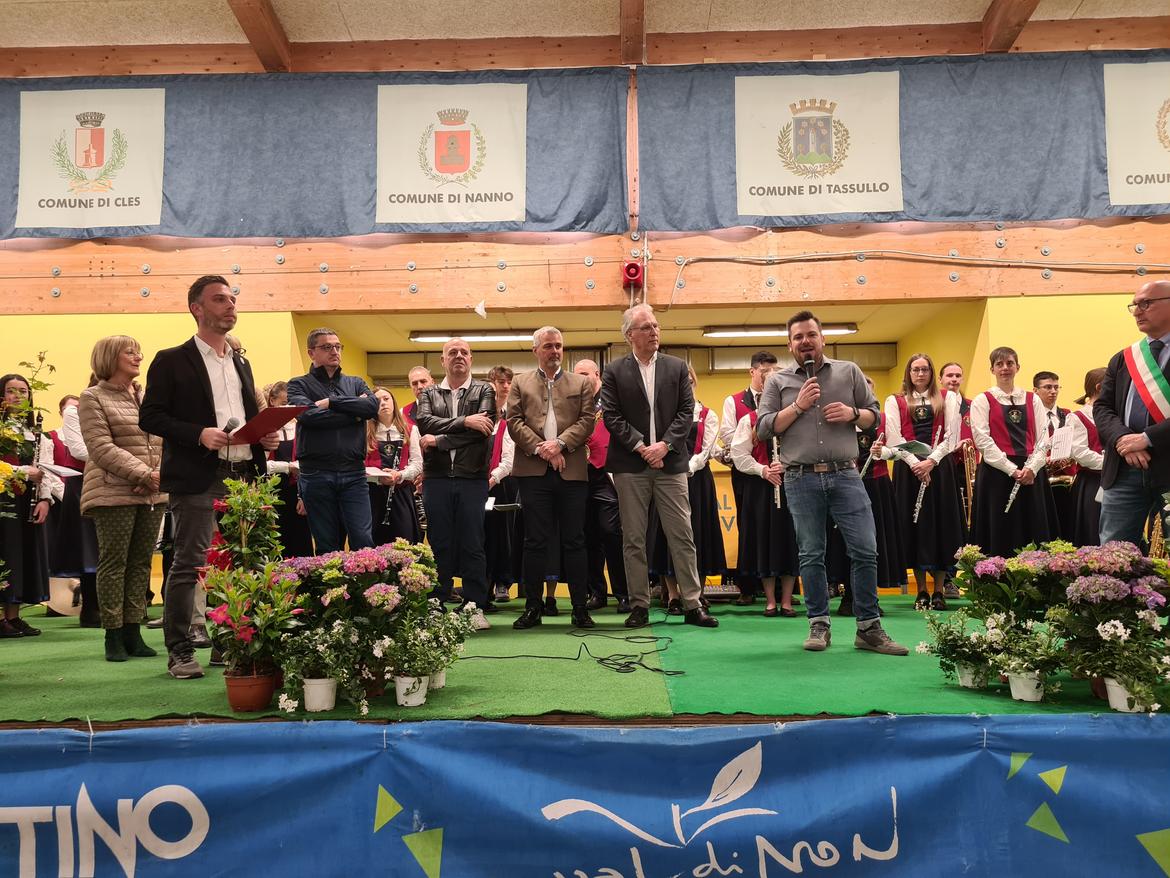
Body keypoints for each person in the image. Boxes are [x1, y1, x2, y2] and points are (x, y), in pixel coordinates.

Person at [140, 275, 279, 680]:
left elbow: (247, 416)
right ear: (196, 309)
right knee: (190, 565)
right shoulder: (171, 359)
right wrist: (198, 433)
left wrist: (264, 435)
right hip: (199, 474)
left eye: (233, 299)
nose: (230, 305)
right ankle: (180, 651)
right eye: (220, 299)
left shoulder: (241, 362)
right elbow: (151, 416)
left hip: (243, 475)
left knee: (240, 565)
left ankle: (229, 645)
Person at [756, 310, 907, 655]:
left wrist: (853, 414)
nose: (805, 342)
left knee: (866, 548)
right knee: (811, 553)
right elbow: (763, 428)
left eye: (811, 335)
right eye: (798, 337)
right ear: (790, 345)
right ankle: (819, 624)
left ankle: (868, 628)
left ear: (822, 338)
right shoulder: (778, 382)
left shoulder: (848, 371)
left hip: (845, 473)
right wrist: (798, 406)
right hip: (800, 477)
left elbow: (875, 417)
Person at [600, 304, 718, 630]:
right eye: (646, 327)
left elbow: (686, 412)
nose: (654, 332)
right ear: (630, 335)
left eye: (655, 326)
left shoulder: (676, 367)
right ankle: (639, 605)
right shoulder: (614, 371)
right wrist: (641, 446)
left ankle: (693, 603)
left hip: (671, 463)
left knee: (682, 534)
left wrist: (664, 445)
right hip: (630, 464)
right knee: (633, 538)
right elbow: (611, 416)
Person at [77, 336, 167, 662]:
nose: (138, 356)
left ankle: (133, 630)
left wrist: (157, 476)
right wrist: (144, 474)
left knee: (141, 562)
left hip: (152, 491)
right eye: (129, 352)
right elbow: (101, 447)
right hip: (112, 491)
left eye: (138, 351)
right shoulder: (92, 397)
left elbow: (162, 440)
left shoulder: (147, 396)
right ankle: (112, 633)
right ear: (109, 357)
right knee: (114, 562)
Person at [507, 327, 596, 630]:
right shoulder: (519, 382)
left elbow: (587, 421)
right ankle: (533, 607)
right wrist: (542, 449)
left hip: (572, 472)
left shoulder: (581, 383)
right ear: (536, 350)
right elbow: (514, 422)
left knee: (575, 540)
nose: (554, 351)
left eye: (558, 345)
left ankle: (580, 608)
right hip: (533, 473)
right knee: (534, 541)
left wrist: (559, 444)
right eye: (548, 346)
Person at [414, 338, 496, 629]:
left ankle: (474, 606)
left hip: (472, 479)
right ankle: (436, 604)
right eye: (452, 352)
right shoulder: (428, 393)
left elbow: (481, 431)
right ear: (443, 360)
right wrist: (465, 422)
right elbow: (424, 423)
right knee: (439, 542)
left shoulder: (485, 390)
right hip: (436, 479)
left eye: (464, 352)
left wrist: (438, 440)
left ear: (471, 359)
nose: (459, 356)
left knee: (473, 542)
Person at [880, 353, 964, 610]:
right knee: (915, 527)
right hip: (909, 470)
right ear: (908, 372)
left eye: (925, 369)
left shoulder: (948, 397)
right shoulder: (894, 400)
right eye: (915, 369)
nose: (920, 374)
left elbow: (951, 436)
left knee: (941, 526)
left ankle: (939, 590)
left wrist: (931, 461)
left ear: (931, 372)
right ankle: (922, 591)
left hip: (940, 469)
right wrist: (915, 463)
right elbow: (894, 438)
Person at [287, 328, 380, 554]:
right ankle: (331, 580)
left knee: (363, 541)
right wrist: (354, 413)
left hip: (354, 473)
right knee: (327, 544)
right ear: (311, 353)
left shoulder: (356, 382)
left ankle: (364, 579)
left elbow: (371, 407)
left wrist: (331, 402)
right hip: (316, 474)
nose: (334, 351)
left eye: (338, 347)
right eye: (327, 347)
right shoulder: (298, 385)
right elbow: (308, 415)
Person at [1096, 279, 1170, 545]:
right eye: (1134, 305)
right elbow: (1102, 407)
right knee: (1113, 554)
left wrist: (1147, 438)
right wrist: (1123, 439)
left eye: (1146, 303)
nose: (1137, 311)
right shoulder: (1124, 358)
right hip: (1125, 467)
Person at [651, 364, 727, 612]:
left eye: (689, 382)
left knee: (699, 533)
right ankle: (673, 595)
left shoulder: (708, 415)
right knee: (668, 535)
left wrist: (687, 467)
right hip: (667, 479)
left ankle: (697, 593)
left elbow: (706, 449)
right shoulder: (663, 414)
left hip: (697, 481)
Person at [969, 346, 1057, 556]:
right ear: (992, 369)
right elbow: (983, 441)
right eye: (999, 364)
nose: (1005, 368)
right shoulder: (983, 400)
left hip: (1031, 473)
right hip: (996, 473)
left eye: (1009, 363)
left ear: (1018, 367)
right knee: (1000, 528)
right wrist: (1012, 470)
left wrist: (1032, 468)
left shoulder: (1033, 399)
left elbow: (1043, 438)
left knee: (1033, 527)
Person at [0, 373, 61, 638]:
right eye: (11, 391)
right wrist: (24, 472)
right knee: (4, 554)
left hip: (27, 502)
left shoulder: (37, 435)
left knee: (21, 555)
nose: (18, 396)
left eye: (23, 391)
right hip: (4, 499)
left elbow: (45, 471)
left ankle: (13, 616)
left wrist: (45, 500)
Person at [717, 351, 778, 606]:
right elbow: (726, 434)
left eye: (772, 371)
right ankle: (748, 587)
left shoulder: (781, 399)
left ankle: (778, 587)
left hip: (777, 472)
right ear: (752, 372)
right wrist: (750, 436)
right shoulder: (734, 401)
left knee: (779, 529)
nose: (768, 376)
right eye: (764, 372)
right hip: (746, 474)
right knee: (748, 527)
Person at [729, 405, 799, 617]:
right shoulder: (749, 420)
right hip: (760, 487)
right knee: (764, 541)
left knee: (789, 541)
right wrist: (763, 470)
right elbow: (738, 454)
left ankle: (786, 600)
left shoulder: (796, 418)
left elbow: (806, 450)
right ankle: (770, 600)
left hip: (791, 484)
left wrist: (785, 465)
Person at [574, 359, 630, 613]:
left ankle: (623, 593)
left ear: (597, 374)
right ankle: (596, 592)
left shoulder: (611, 399)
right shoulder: (574, 403)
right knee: (587, 536)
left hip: (606, 474)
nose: (581, 379)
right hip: (579, 475)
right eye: (577, 375)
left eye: (585, 374)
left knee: (611, 533)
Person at [49, 393, 100, 626]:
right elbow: (79, 451)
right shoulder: (74, 412)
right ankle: (90, 607)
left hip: (111, 479)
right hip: (83, 482)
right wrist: (115, 458)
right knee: (87, 546)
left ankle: (115, 606)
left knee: (109, 545)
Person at [263, 381, 314, 558]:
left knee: (301, 546)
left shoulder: (301, 428)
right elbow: (260, 465)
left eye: (292, 404)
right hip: (273, 495)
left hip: (298, 494)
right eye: (284, 404)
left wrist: (304, 497)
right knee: (276, 547)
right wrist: (288, 467)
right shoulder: (265, 429)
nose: (288, 409)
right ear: (272, 401)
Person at [366, 387, 422, 546]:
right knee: (375, 542)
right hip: (373, 495)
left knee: (404, 540)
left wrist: (400, 475)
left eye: (386, 398)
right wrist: (378, 478)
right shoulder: (365, 431)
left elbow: (417, 463)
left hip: (401, 494)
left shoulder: (410, 429)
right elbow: (359, 465)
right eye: (378, 401)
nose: (383, 403)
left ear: (393, 402)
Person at [939, 361, 975, 598]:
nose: (954, 379)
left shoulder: (972, 406)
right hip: (944, 468)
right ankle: (948, 579)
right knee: (948, 524)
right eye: (949, 375)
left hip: (967, 470)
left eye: (958, 375)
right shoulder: (937, 405)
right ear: (940, 379)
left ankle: (971, 574)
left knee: (968, 525)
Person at [484, 366, 520, 605]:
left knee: (505, 533)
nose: (505, 386)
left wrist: (493, 478)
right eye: (500, 382)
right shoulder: (481, 415)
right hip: (479, 484)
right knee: (484, 534)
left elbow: (509, 458)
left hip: (504, 482)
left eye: (509, 382)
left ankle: (502, 582)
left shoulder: (514, 412)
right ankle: (483, 583)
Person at [1034, 370, 1077, 540]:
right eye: (1047, 387)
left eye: (1056, 387)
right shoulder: (1032, 416)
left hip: (1066, 478)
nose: (1053, 391)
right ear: (1035, 391)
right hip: (1042, 476)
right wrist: (1044, 460)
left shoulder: (1068, 414)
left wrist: (1070, 455)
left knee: (1067, 522)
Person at [1069, 367, 1106, 547]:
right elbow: (1079, 452)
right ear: (1099, 387)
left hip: (1114, 478)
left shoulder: (1113, 414)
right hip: (1092, 481)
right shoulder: (1077, 417)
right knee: (1093, 530)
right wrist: (1110, 463)